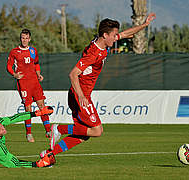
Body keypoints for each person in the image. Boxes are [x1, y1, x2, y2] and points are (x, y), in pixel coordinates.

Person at [41, 13, 157, 158]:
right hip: (80, 95)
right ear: (105, 35)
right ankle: (59, 128)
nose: (116, 38)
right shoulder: (94, 53)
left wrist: (145, 25)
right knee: (97, 131)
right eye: (113, 35)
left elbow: (125, 34)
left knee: (83, 134)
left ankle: (49, 154)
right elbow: (73, 74)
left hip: (78, 94)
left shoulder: (103, 42)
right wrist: (82, 96)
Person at [7, 29, 50, 142]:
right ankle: (29, 133)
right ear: (20, 39)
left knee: (42, 106)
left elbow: (36, 64)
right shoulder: (14, 52)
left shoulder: (33, 50)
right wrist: (14, 74)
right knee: (28, 108)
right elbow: (9, 66)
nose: (24, 40)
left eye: (26, 38)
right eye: (22, 38)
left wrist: (39, 74)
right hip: (23, 83)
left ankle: (48, 131)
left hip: (35, 82)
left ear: (29, 39)